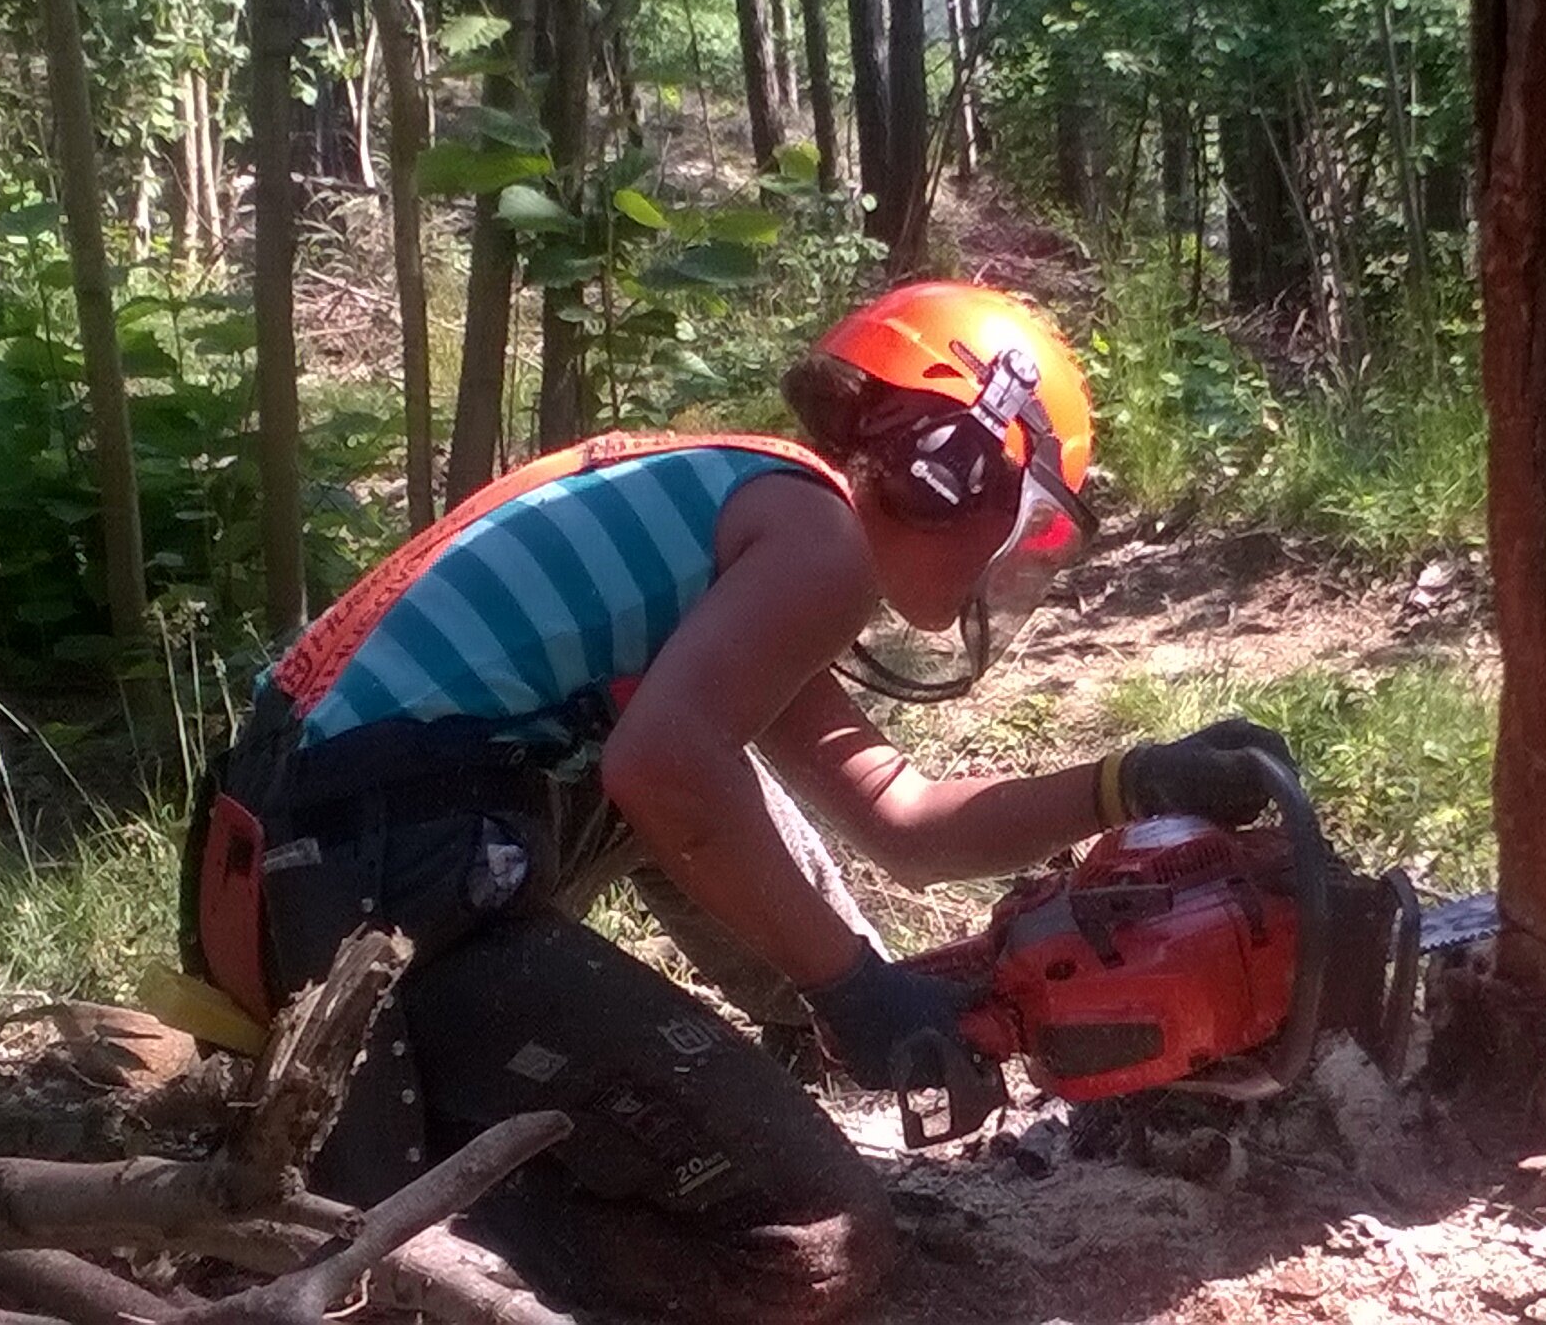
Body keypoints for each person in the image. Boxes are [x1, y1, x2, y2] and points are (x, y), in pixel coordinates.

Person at [177, 281, 1291, 1320]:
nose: (1018, 564)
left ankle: (726, 1059)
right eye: (1033, 528)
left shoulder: (753, 515)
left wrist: (1128, 781)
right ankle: (451, 1235)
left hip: (304, 852)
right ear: (956, 463)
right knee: (818, 1236)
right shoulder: (817, 538)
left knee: (699, 765)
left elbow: (902, 815)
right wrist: (855, 987)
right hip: (371, 869)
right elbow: (664, 773)